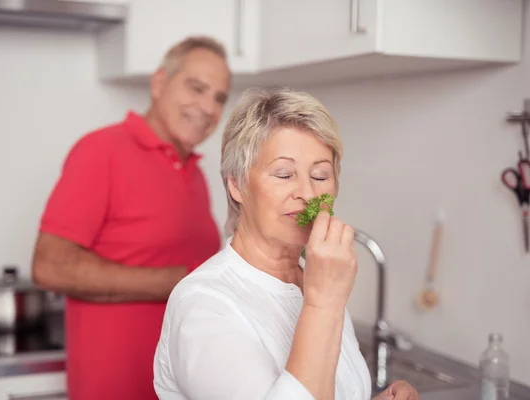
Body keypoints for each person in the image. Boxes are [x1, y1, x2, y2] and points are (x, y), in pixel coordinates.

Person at [153, 87, 419, 400]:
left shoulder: (312, 280)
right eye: (283, 174)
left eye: (320, 176)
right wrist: (325, 302)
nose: (307, 193)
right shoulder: (204, 305)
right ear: (237, 185)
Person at [31, 35, 231, 400]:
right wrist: (180, 280)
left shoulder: (196, 174)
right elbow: (50, 266)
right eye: (196, 88)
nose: (208, 107)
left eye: (219, 97)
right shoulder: (101, 151)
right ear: (159, 83)